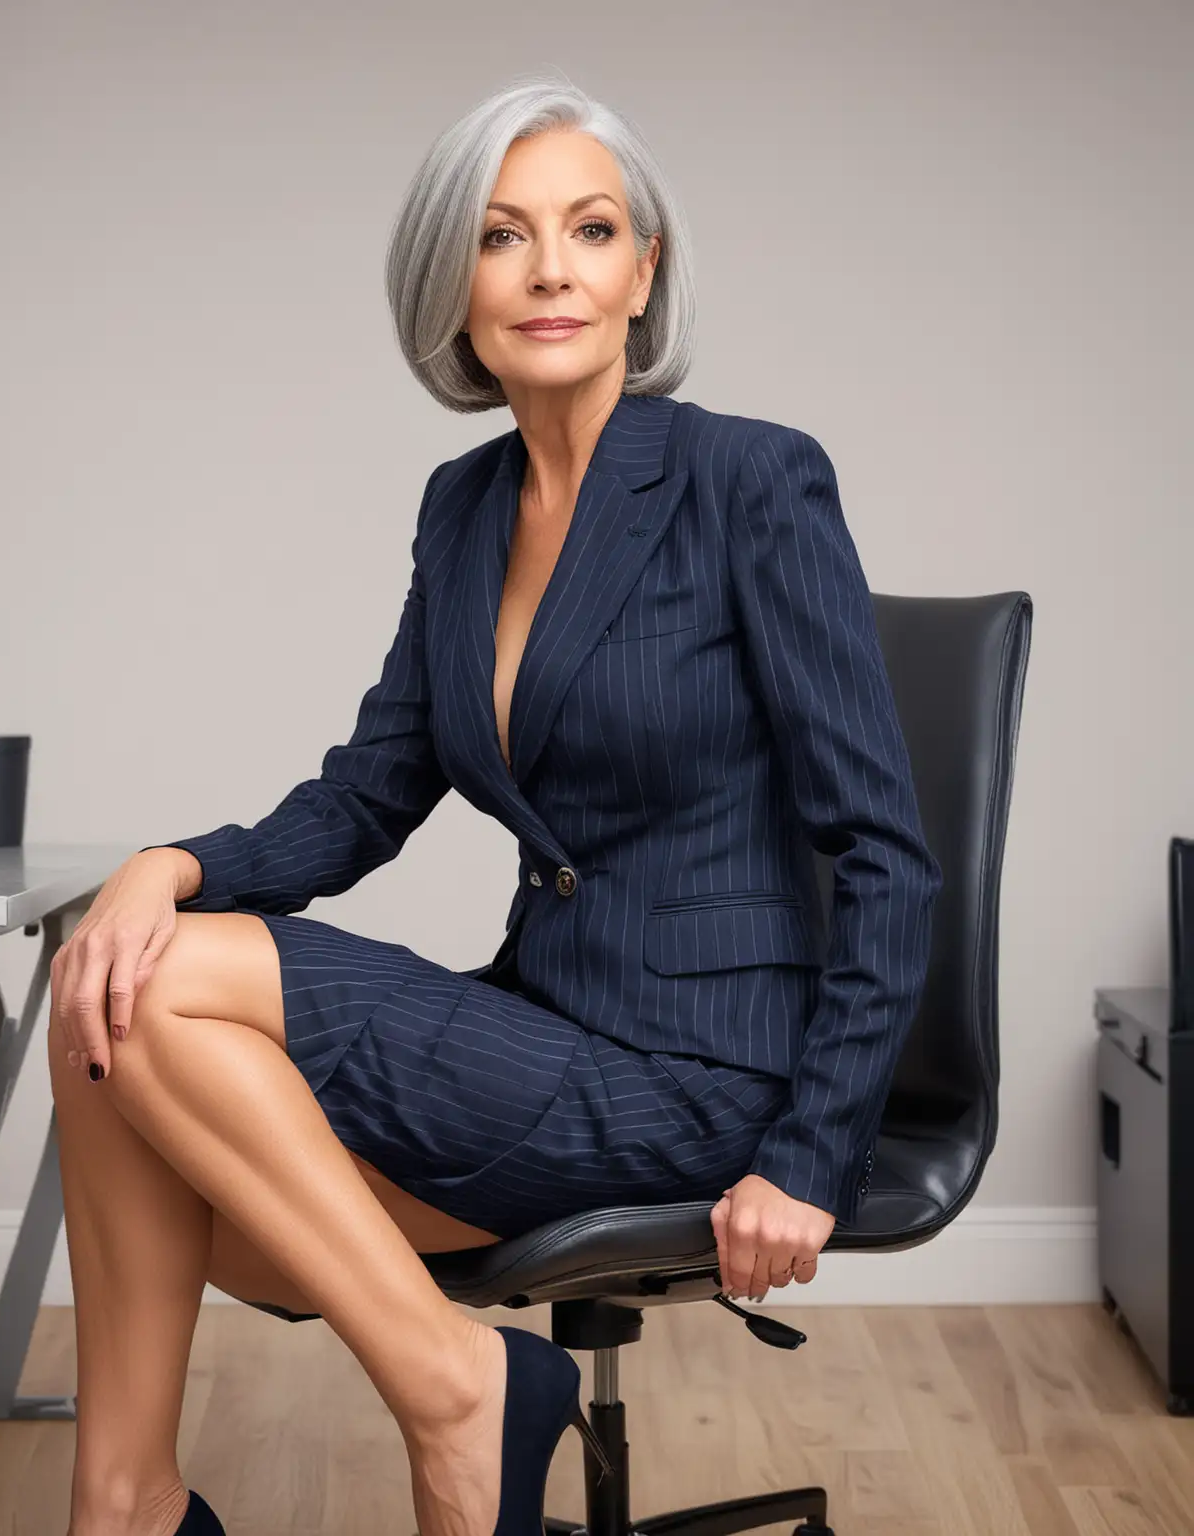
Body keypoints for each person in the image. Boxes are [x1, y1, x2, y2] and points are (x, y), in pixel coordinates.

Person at [46, 73, 943, 1536]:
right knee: (106, 1004)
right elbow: (368, 794)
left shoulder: (748, 481)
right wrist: (168, 863)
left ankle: (462, 1396)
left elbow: (889, 859)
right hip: (549, 1032)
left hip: (706, 1075)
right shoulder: (464, 508)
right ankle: (128, 1500)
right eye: (504, 235)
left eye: (592, 231)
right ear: (451, 284)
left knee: (151, 991)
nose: (550, 271)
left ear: (643, 273)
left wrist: (810, 1151)